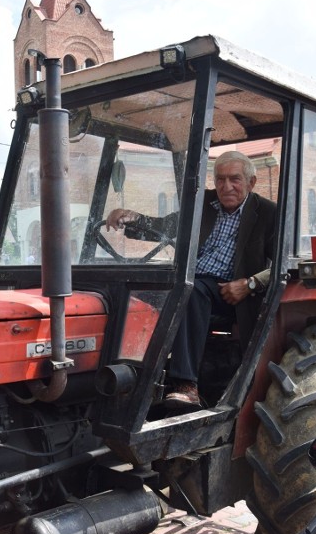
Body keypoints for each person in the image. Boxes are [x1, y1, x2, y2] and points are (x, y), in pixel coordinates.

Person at [106, 150, 276, 408]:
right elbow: (164, 227)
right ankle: (129, 376)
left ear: (251, 183)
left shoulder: (267, 213)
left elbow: (284, 264)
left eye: (235, 179)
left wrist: (250, 283)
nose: (226, 186)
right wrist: (132, 218)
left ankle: (186, 386)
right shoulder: (203, 204)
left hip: (227, 291)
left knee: (191, 290)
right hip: (190, 281)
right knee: (135, 291)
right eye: (220, 179)